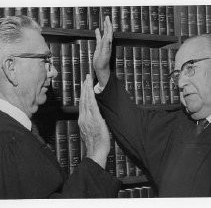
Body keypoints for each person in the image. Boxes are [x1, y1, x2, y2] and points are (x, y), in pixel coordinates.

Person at [80, 16, 211, 197]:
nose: (180, 82)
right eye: (177, 75)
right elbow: (133, 123)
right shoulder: (173, 127)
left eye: (190, 68)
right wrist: (102, 71)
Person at [0, 15, 121, 199]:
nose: (54, 72)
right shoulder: (7, 144)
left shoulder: (16, 132)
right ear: (11, 68)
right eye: (44, 60)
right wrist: (97, 151)